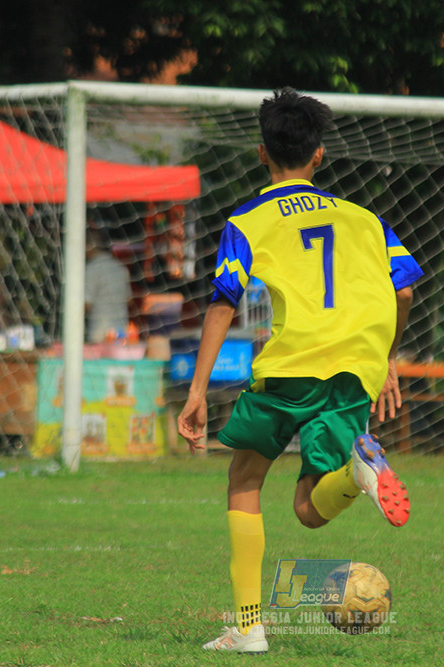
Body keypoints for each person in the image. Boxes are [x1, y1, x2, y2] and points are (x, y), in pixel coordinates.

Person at [177, 88, 423, 654]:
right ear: (319, 156)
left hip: (291, 364)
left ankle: (249, 627)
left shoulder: (249, 218)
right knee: (310, 508)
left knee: (244, 481)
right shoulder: (363, 217)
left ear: (262, 153)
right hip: (353, 368)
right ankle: (359, 473)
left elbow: (223, 301)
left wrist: (196, 390)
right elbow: (404, 287)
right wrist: (384, 355)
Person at [84, 227, 133, 343]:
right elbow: (129, 300)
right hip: (121, 333)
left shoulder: (91, 269)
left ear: (89, 246)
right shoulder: (121, 268)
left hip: (99, 333)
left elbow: (86, 304)